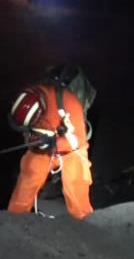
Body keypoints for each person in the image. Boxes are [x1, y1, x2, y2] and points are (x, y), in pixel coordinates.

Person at [7, 65, 94, 220]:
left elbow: (78, 140)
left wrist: (54, 144)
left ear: (41, 113)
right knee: (30, 171)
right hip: (44, 145)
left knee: (76, 180)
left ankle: (83, 220)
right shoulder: (29, 96)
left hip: (71, 147)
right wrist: (33, 140)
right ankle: (15, 216)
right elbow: (27, 133)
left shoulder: (70, 103)